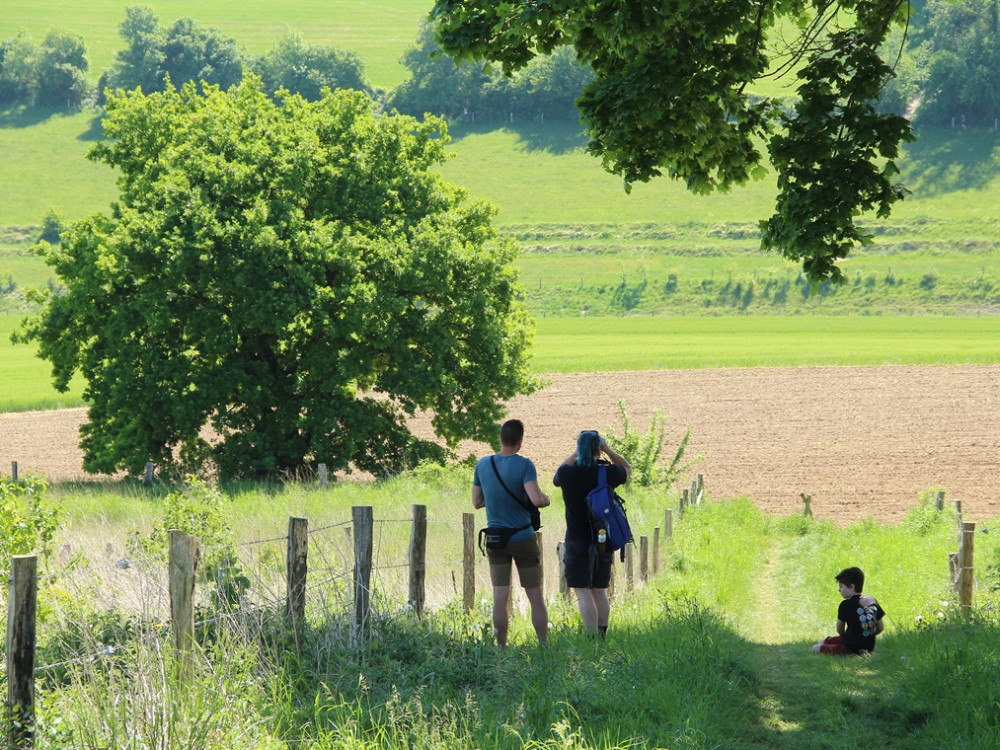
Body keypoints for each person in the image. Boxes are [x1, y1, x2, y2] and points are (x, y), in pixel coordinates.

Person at [472, 419, 551, 646]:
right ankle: (544, 646)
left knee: (500, 596)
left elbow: (477, 502)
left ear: (500, 438)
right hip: (522, 538)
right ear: (520, 441)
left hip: (495, 539)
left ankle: (501, 648)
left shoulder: (483, 465)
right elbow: (536, 499)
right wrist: (546, 499)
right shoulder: (525, 465)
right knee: (534, 594)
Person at [553, 430, 631, 636]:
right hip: (603, 539)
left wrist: (577, 452)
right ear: (598, 449)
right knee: (599, 589)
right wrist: (607, 449)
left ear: (579, 449)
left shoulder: (568, 474)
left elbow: (557, 474)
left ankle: (590, 638)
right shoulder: (607, 473)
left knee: (582, 590)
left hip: (577, 539)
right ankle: (602, 636)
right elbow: (627, 468)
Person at [812, 566, 886, 655]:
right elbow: (880, 627)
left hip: (850, 649)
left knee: (816, 647)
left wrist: (845, 638)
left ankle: (828, 645)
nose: (839, 590)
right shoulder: (872, 600)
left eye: (841, 586)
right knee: (824, 641)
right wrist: (868, 636)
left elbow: (839, 629)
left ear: (851, 586)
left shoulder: (845, 605)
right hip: (869, 647)